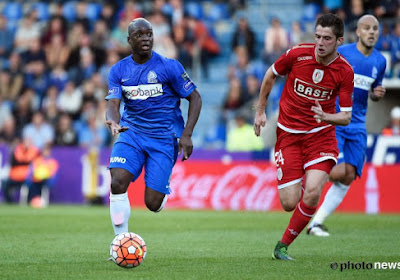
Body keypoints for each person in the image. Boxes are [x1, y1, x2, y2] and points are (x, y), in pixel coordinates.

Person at [253, 13, 354, 260]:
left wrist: (326, 117)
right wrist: (261, 110)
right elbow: (270, 74)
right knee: (290, 202)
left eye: (327, 38)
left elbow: (346, 117)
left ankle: (283, 246)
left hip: (321, 137)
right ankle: (316, 175)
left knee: (311, 193)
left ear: (339, 40)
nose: (320, 42)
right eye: (318, 36)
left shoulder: (344, 71)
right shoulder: (297, 54)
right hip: (288, 135)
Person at [105, 18, 202, 239]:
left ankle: (162, 189)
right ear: (129, 40)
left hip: (164, 138)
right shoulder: (119, 70)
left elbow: (195, 98)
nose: (146, 38)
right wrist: (112, 120)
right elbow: (113, 104)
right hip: (132, 133)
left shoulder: (169, 67)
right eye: (140, 35)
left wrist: (187, 134)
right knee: (117, 181)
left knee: (152, 203)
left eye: (149, 34)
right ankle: (120, 241)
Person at [307, 15, 387, 236]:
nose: (372, 32)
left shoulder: (380, 61)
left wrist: (377, 94)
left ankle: (316, 223)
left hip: (358, 124)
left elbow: (374, 91)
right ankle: (307, 180)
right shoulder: (343, 53)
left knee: (349, 175)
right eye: (367, 28)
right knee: (334, 171)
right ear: (358, 32)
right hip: (335, 119)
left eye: (375, 29)